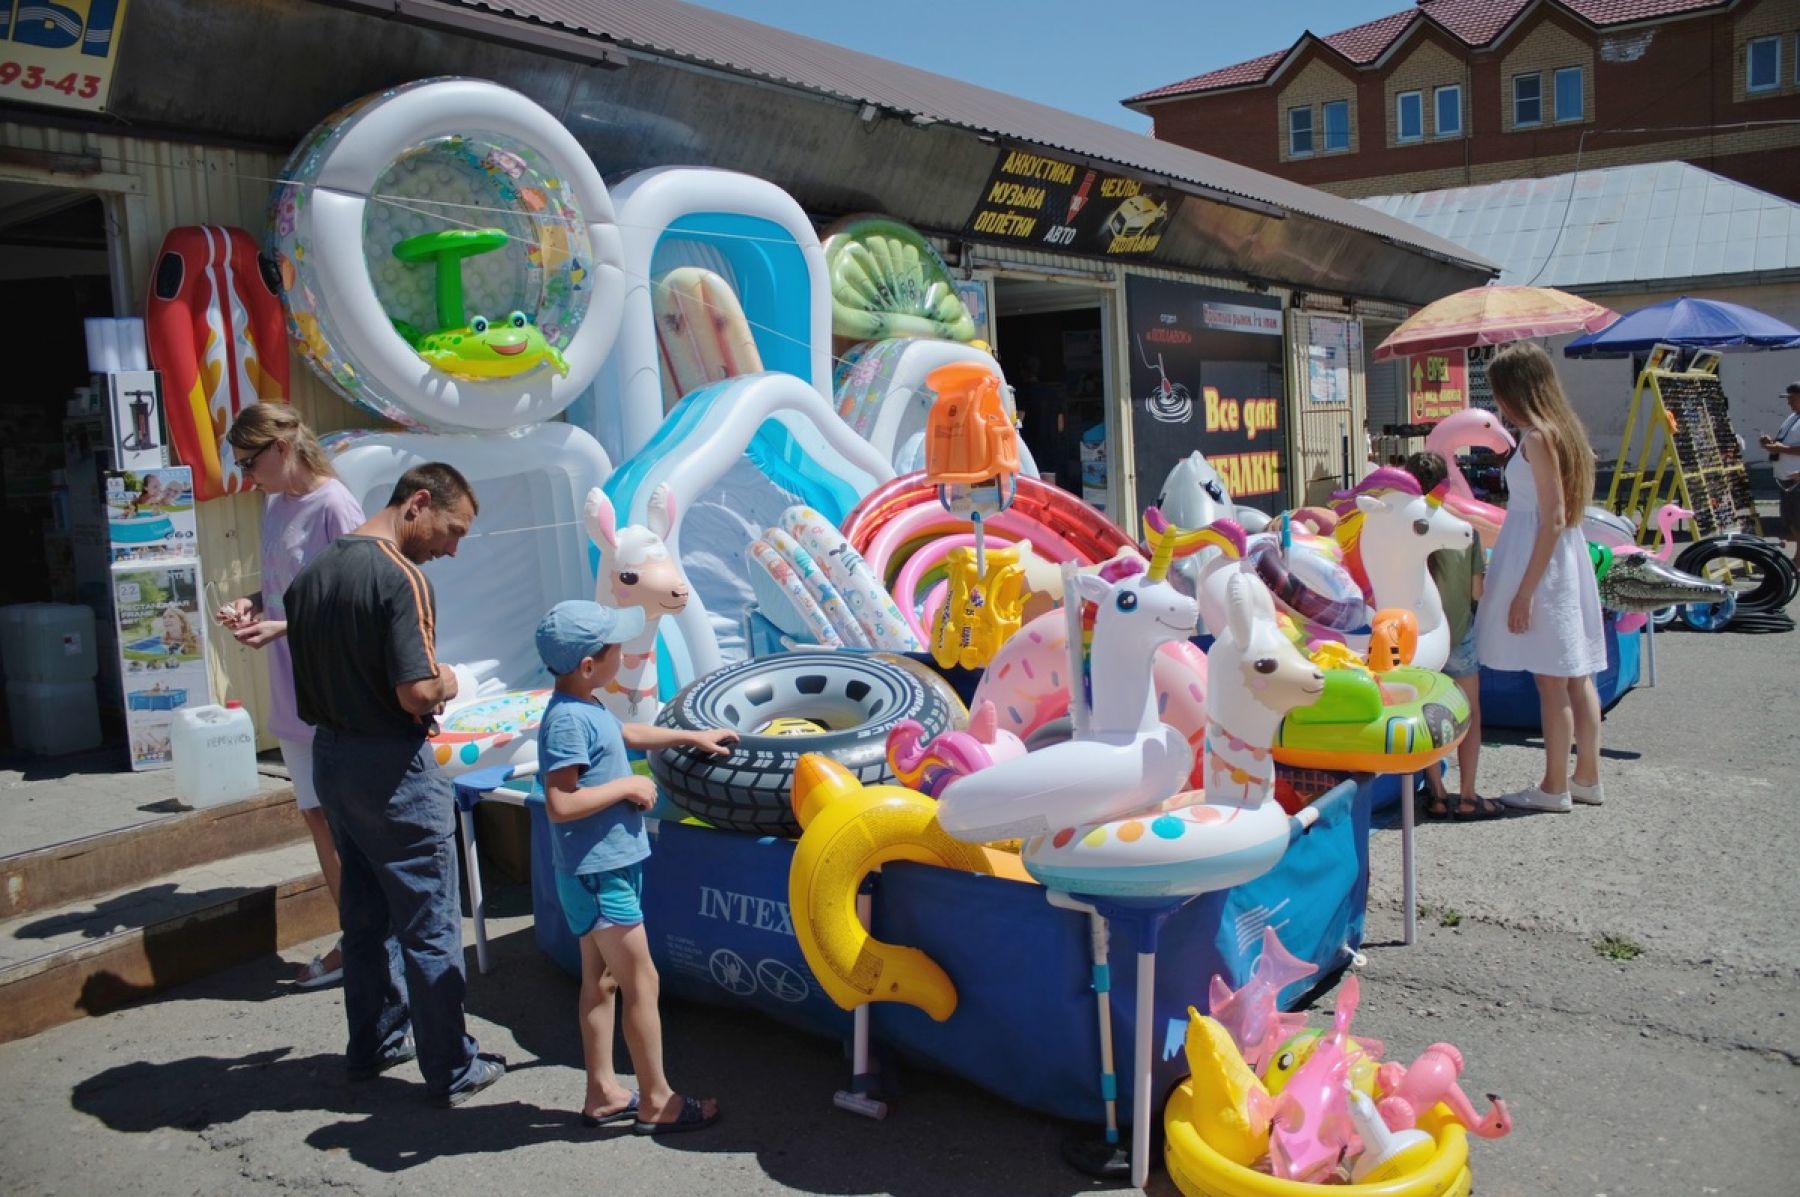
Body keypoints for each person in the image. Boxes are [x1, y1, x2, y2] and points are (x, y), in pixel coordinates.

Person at [284, 463, 504, 1107]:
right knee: (430, 922)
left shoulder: (316, 572)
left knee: (365, 913)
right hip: (391, 767)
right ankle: (453, 1067)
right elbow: (415, 691)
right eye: (452, 529)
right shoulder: (398, 576)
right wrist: (452, 680)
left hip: (333, 758)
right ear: (417, 504)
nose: (452, 547)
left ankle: (377, 1040)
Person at [535, 600, 736, 1134]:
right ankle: (657, 1099)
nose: (623, 653)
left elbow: (626, 736)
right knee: (641, 982)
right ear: (587, 665)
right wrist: (626, 785)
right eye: (614, 648)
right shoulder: (567, 722)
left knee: (599, 982)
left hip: (597, 870)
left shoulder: (585, 704)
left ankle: (602, 1091)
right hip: (600, 875)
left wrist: (691, 736)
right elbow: (560, 802)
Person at [214, 403, 366, 989]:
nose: (246, 477)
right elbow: (286, 588)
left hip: (330, 692)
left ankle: (369, 940)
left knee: (345, 823)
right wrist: (253, 603)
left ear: (281, 449)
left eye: (250, 463)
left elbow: (361, 601)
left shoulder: (335, 504)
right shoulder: (275, 505)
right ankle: (358, 938)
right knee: (318, 819)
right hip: (291, 691)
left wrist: (282, 625)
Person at [1475, 343, 1607, 814]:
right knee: (1577, 675)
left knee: (1552, 681)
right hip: (1562, 560)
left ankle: (1555, 786)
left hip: (1543, 566)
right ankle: (1586, 776)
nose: (1498, 403)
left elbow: (1547, 518)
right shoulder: (1563, 432)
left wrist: (1524, 592)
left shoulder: (1536, 437)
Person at [1402, 451, 1500, 820]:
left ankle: (1438, 792)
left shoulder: (1404, 530)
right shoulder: (1464, 531)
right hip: (1459, 633)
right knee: (1470, 714)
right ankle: (1470, 794)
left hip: (1421, 639)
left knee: (1429, 714)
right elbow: (1477, 593)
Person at [1758, 380, 1800, 571]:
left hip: (1796, 478)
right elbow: (1784, 442)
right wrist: (1771, 443)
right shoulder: (1792, 418)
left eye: (1792, 398)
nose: (1789, 403)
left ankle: (1799, 558)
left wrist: (1779, 448)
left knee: (1798, 520)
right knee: (1790, 520)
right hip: (1786, 478)